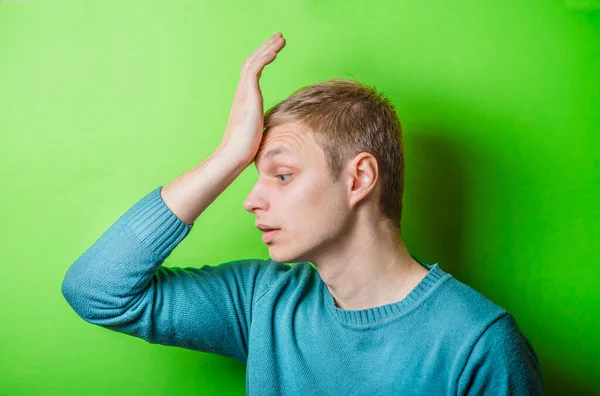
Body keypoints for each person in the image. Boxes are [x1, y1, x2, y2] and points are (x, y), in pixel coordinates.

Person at [61, 32, 544, 395]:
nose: (251, 199)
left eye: (283, 175)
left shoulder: (479, 345)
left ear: (358, 179)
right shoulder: (262, 302)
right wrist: (229, 154)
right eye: (254, 175)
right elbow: (96, 291)